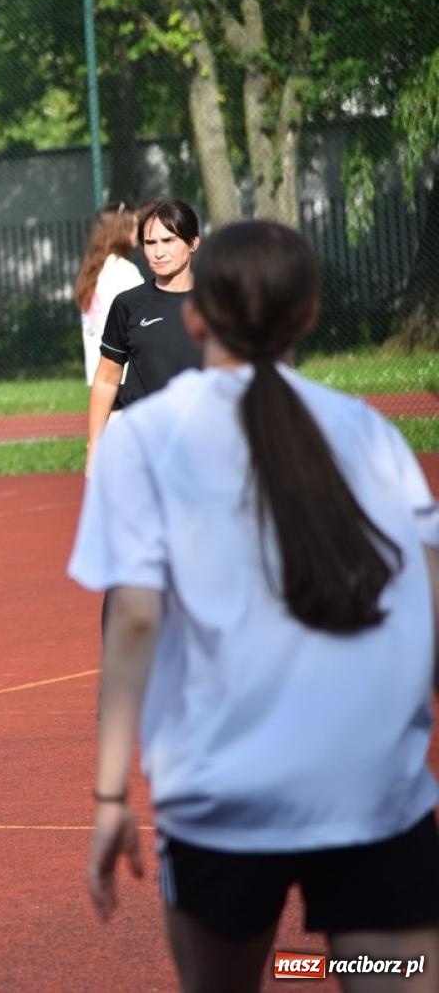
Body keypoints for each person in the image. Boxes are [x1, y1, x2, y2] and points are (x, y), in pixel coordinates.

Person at [69, 221, 439, 990]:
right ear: (308, 317)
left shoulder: (145, 440)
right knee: (388, 971)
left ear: (197, 317)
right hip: (371, 790)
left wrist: (110, 795)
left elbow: (135, 618)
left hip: (223, 797)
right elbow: (430, 597)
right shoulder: (368, 432)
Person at [84, 197, 203, 473]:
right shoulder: (128, 305)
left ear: (193, 242)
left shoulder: (219, 303)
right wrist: (95, 447)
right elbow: (106, 379)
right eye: (150, 243)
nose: (158, 252)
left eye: (168, 240)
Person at [74, 201, 143, 389]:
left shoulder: (92, 271)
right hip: (122, 376)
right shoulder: (124, 271)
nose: (138, 231)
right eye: (134, 226)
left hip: (99, 375)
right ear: (121, 230)